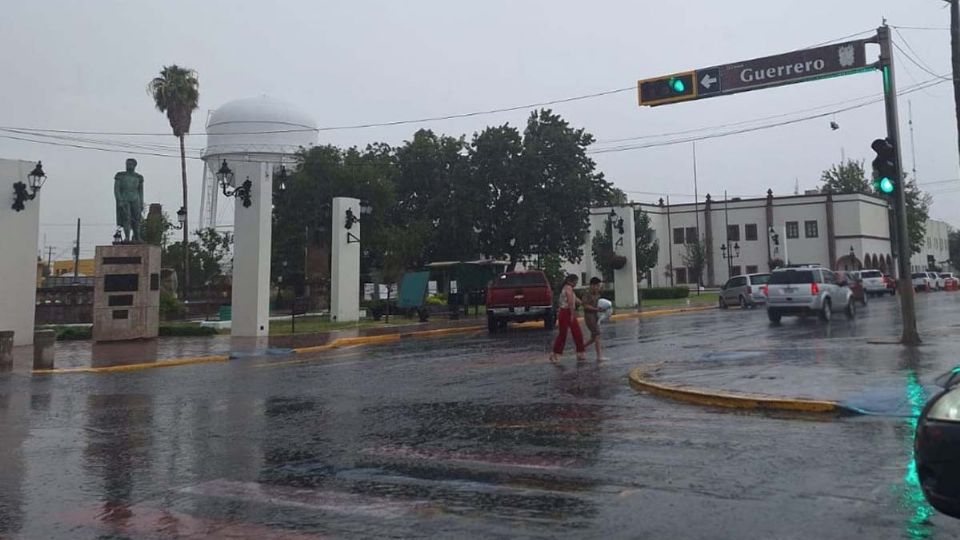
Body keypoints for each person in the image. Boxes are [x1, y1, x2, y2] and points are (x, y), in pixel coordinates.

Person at [550, 274, 586, 363]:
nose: (576, 284)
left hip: (566, 312)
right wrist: (572, 314)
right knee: (563, 334)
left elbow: (575, 299)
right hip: (566, 312)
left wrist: (584, 303)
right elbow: (570, 302)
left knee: (577, 332)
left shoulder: (568, 289)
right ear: (571, 281)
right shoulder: (568, 288)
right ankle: (555, 354)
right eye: (575, 282)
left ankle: (580, 352)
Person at [581, 277, 604, 361]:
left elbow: (599, 304)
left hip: (595, 316)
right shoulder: (586, 294)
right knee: (597, 334)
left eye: (599, 286)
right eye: (597, 286)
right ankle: (599, 356)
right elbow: (585, 306)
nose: (598, 288)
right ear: (592, 285)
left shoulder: (597, 294)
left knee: (594, 337)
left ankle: (581, 348)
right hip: (589, 316)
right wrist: (596, 309)